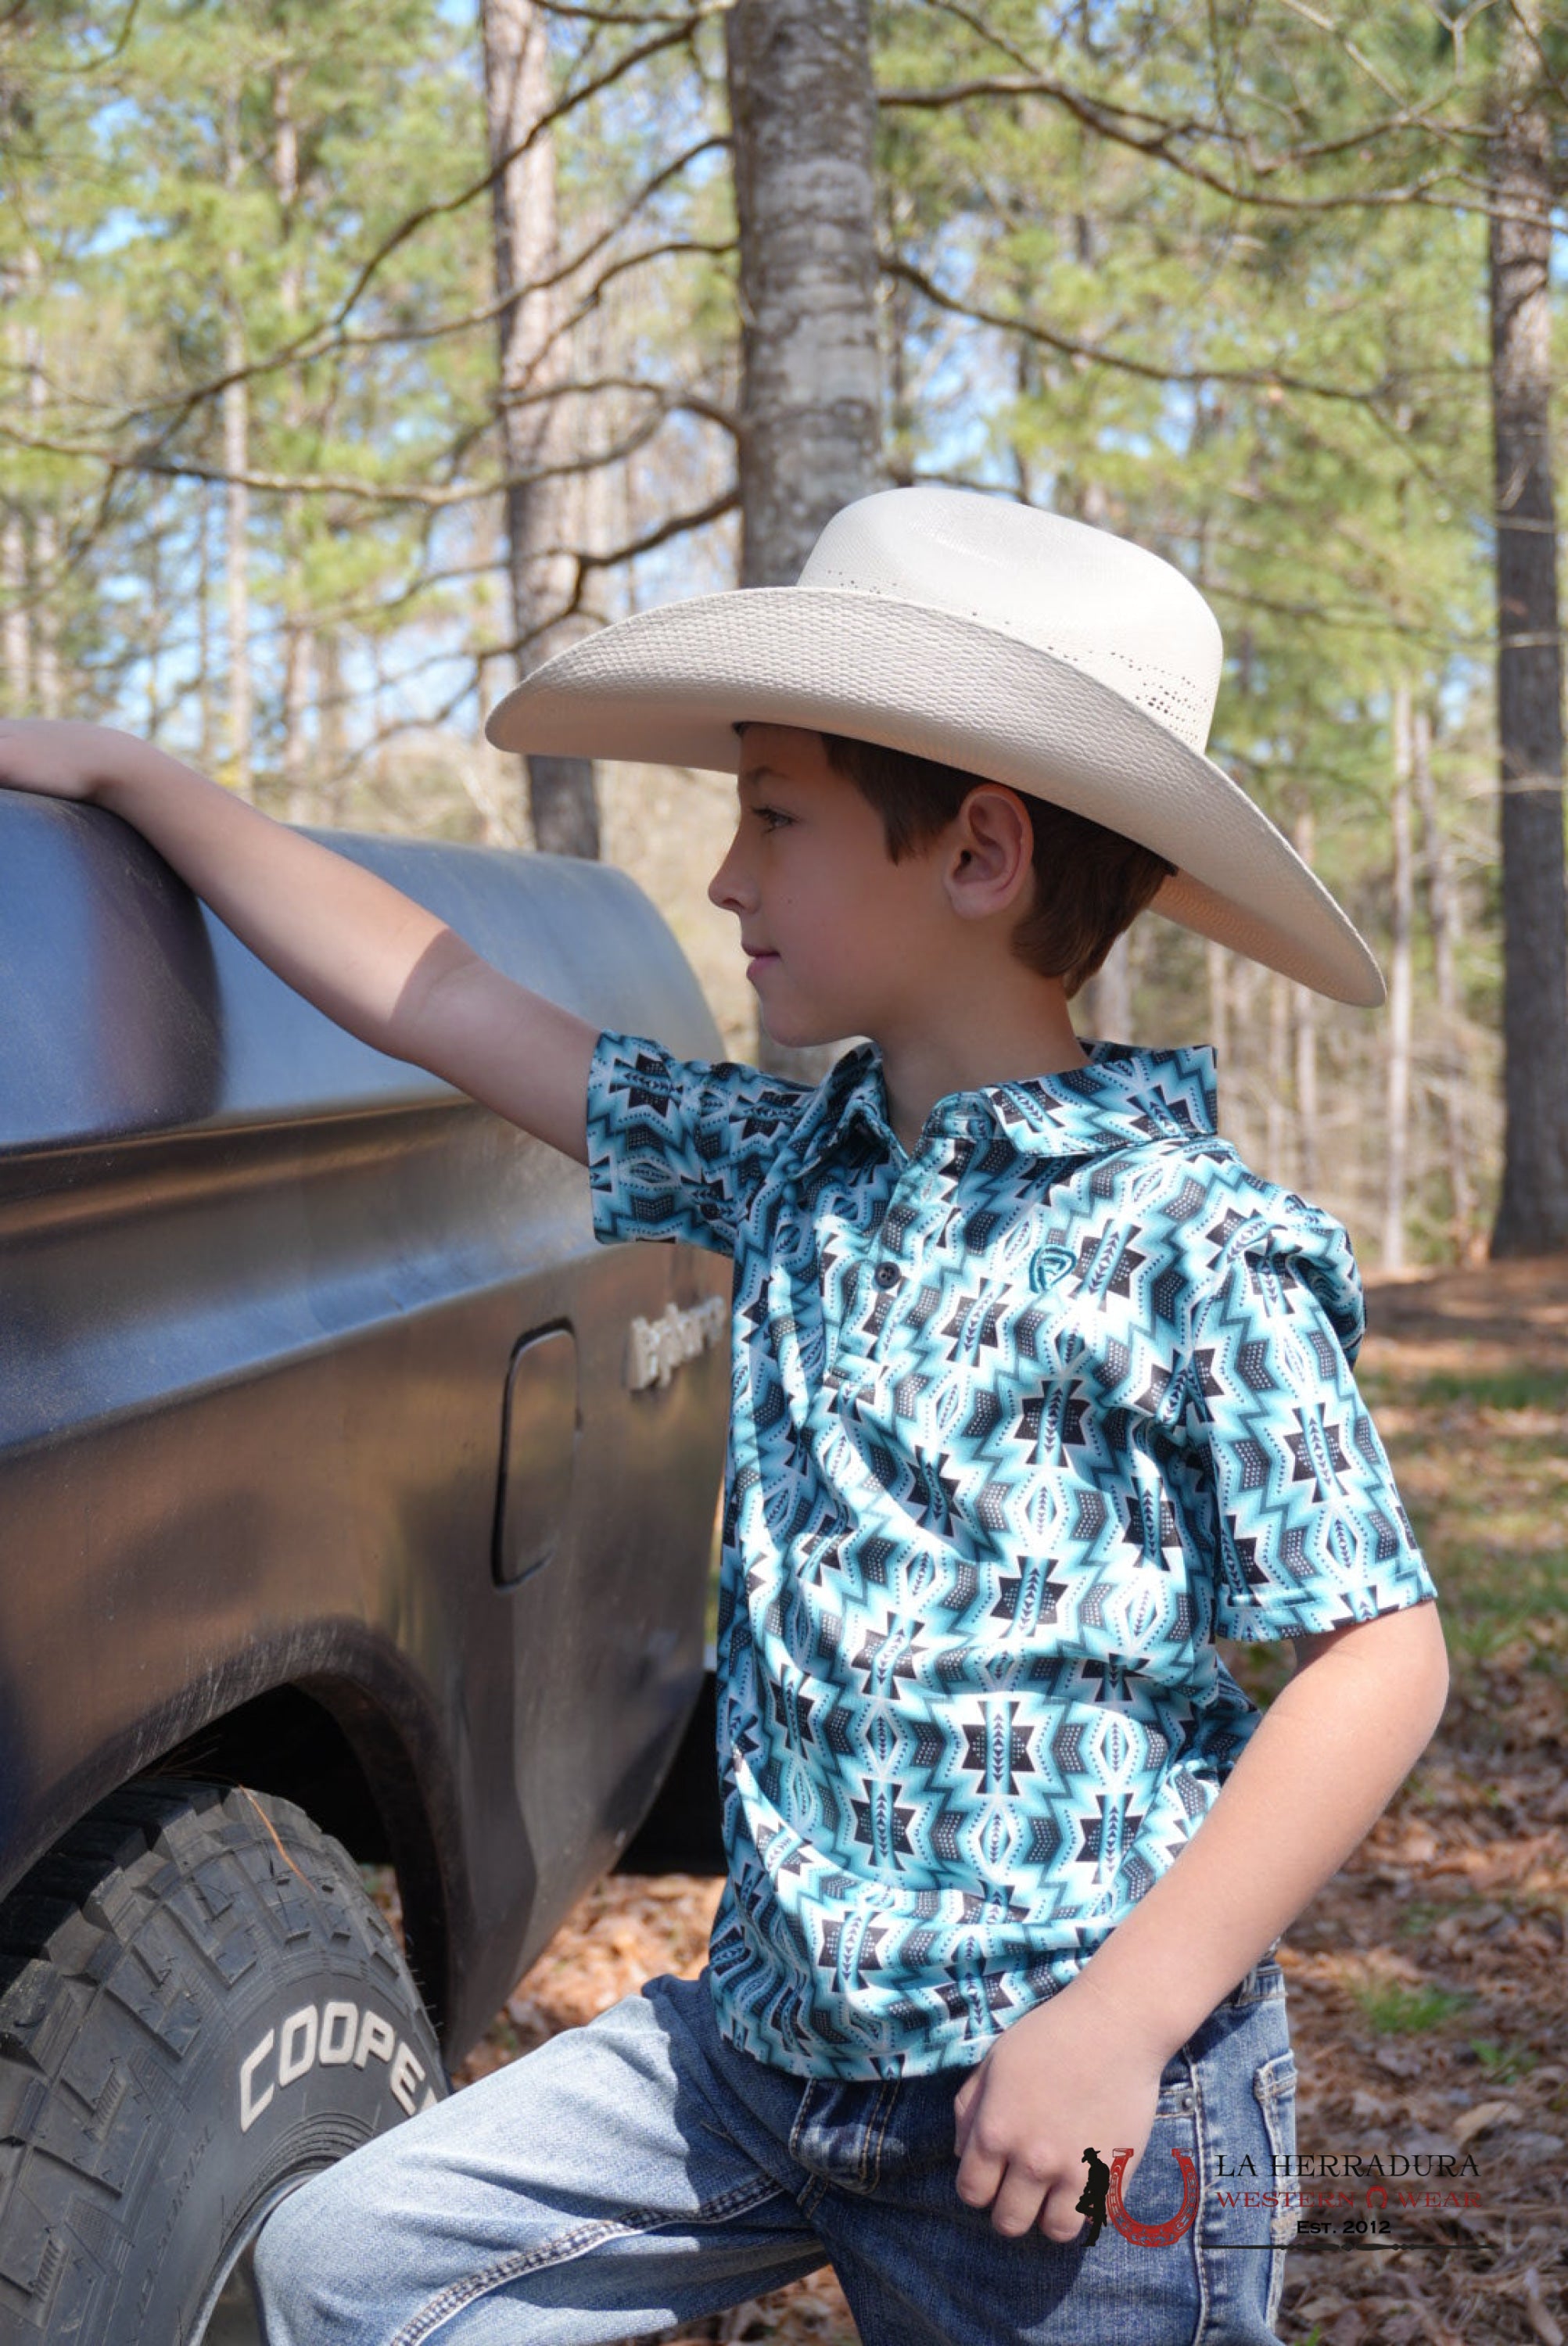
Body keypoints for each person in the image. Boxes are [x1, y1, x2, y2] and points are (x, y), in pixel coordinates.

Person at [0, 486, 1448, 2346]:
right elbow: (439, 995)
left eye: (773, 817)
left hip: (1060, 2110)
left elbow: (1382, 1656)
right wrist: (142, 785)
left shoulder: (1193, 1244)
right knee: (348, 2266)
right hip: (760, 2059)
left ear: (982, 854)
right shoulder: (792, 1170)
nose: (725, 880)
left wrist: (1119, 2022)